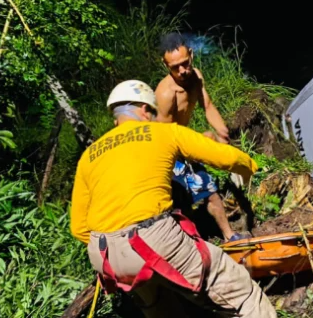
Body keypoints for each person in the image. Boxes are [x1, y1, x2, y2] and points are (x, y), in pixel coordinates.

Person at [70, 80, 276, 318]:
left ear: (116, 116)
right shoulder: (162, 132)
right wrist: (250, 167)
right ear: (144, 109)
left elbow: (79, 228)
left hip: (105, 254)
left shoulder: (89, 156)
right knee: (243, 295)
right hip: (153, 237)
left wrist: (119, 245)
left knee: (162, 309)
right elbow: (223, 156)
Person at [154, 32, 249, 243]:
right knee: (180, 204)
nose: (182, 70)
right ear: (165, 65)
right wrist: (199, 142)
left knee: (210, 192)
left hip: (185, 145)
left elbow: (207, 106)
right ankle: (191, 246)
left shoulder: (195, 76)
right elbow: (165, 136)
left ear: (192, 55)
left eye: (185, 63)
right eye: (175, 67)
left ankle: (229, 236)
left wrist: (223, 133)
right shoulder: (166, 94)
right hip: (168, 154)